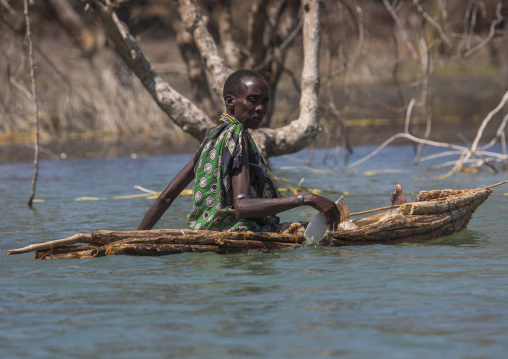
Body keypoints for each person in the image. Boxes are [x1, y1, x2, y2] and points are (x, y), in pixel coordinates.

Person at [137, 69, 341, 232]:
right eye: (253, 99)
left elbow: (166, 197)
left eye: (265, 101)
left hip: (206, 235)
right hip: (238, 237)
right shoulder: (237, 136)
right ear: (230, 101)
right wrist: (306, 198)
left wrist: (133, 238)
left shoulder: (213, 135)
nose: (260, 108)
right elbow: (242, 207)